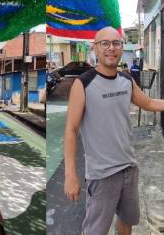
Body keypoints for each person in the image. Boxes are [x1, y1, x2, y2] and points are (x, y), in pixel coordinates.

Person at [64, 27, 164, 235]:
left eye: (116, 43)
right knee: (95, 230)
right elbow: (71, 130)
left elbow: (148, 102)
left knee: (127, 221)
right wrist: (70, 174)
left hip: (129, 167)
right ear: (96, 48)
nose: (111, 48)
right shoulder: (82, 84)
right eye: (105, 43)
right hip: (102, 175)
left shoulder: (126, 80)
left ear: (121, 47)